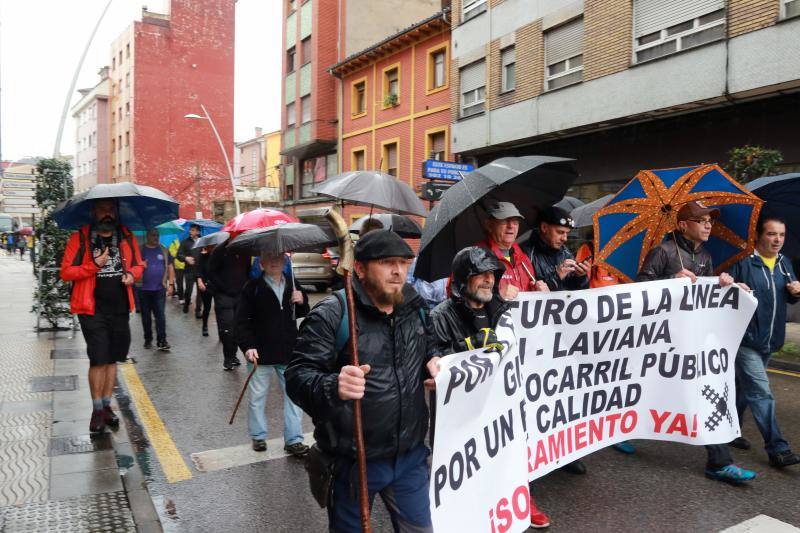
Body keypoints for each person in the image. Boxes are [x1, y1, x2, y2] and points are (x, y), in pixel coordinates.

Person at [286, 230, 441, 532]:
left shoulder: (415, 306)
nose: (398, 271)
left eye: (404, 262)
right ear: (360, 268)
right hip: (354, 464)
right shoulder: (334, 313)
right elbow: (298, 376)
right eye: (387, 262)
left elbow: (430, 343)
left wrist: (432, 362)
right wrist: (334, 385)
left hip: (410, 457)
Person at [429, 246, 550, 529]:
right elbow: (436, 357)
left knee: (508, 456)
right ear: (461, 280)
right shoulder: (440, 316)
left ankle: (517, 499)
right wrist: (468, 347)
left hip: (501, 408)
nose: (488, 280)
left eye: (491, 274)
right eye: (479, 274)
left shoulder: (503, 310)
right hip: (462, 417)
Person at [637, 200, 755, 484]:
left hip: (693, 343)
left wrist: (723, 284)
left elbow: (703, 296)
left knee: (706, 392)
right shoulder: (662, 252)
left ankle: (719, 462)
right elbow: (639, 289)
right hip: (663, 341)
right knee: (644, 389)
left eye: (710, 221)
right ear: (682, 225)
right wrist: (670, 279)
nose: (708, 225)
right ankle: (621, 431)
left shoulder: (706, 256)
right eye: (701, 220)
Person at [60, 199, 143, 433]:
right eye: (102, 209)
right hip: (91, 309)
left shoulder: (127, 236)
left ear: (116, 212)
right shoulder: (80, 238)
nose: (107, 214)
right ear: (93, 212)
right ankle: (96, 410)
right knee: (98, 358)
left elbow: (138, 265)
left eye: (111, 209)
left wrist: (132, 275)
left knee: (112, 358)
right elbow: (66, 272)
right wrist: (93, 265)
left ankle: (107, 406)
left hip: (119, 308)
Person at [725, 215, 800, 467]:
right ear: (758, 236)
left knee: (744, 388)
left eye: (781, 235)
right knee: (761, 392)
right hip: (746, 338)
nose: (777, 239)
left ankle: (729, 431)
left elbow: (784, 297)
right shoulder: (742, 262)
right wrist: (732, 286)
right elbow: (724, 294)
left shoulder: (784, 263)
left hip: (771, 339)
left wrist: (795, 292)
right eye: (771, 234)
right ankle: (777, 448)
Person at [236, 250, 310, 456]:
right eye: (269, 258)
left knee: (294, 396)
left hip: (289, 351)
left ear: (285, 260)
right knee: (257, 397)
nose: (274, 262)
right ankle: (258, 436)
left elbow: (305, 313)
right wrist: (247, 346)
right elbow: (241, 321)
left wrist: (301, 300)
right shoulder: (252, 288)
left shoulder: (294, 284)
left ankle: (294, 440)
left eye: (278, 258)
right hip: (260, 354)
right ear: (261, 263)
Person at [475, 201, 548, 300]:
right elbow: (460, 301)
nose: (511, 226)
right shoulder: (474, 258)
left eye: (515, 221)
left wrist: (542, 295)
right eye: (504, 220)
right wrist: (497, 296)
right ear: (489, 225)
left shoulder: (524, 259)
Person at [207, 239, 250, 370]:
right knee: (228, 328)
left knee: (238, 327)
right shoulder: (219, 250)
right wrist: (223, 288)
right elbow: (211, 272)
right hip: (224, 296)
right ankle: (228, 357)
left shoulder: (245, 250)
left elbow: (247, 271)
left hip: (240, 295)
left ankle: (234, 354)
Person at [523, 206, 589, 291]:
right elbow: (527, 292)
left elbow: (578, 292)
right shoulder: (525, 254)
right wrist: (556, 277)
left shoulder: (565, 253)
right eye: (560, 232)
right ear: (544, 227)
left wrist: (581, 277)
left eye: (567, 233)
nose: (565, 238)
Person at [139, 228, 175, 351]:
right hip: (143, 289)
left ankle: (162, 340)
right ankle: (148, 339)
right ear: (148, 236)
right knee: (146, 317)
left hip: (159, 288)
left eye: (157, 235)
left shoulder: (164, 250)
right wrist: (140, 265)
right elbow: (133, 266)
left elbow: (170, 266)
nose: (156, 237)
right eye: (153, 235)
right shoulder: (140, 250)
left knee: (160, 316)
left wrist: (171, 284)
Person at [176, 224, 201, 316]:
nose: (190, 232)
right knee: (188, 291)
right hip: (189, 270)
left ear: (198, 232)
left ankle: (198, 310)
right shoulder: (185, 242)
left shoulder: (203, 241)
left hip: (200, 271)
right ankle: (186, 303)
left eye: (193, 230)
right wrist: (186, 258)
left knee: (200, 291)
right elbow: (178, 255)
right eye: (190, 230)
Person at [196, 244, 215, 337]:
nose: (212, 248)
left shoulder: (219, 257)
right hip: (205, 286)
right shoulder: (202, 256)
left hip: (217, 286)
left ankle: (221, 330)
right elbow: (198, 270)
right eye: (210, 246)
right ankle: (205, 326)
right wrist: (200, 281)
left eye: (214, 246)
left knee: (219, 308)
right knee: (207, 308)